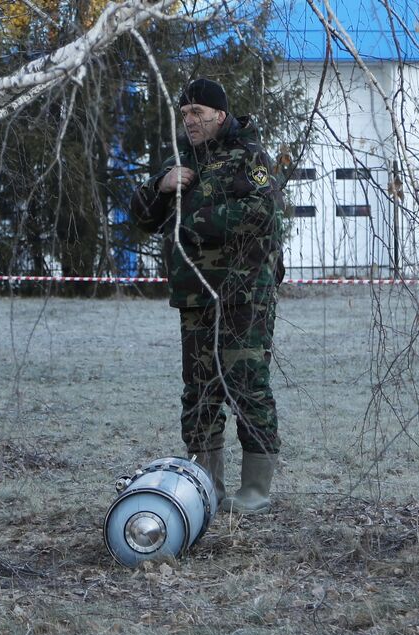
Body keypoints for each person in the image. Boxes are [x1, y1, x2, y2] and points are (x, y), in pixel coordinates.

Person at [130, 78, 286, 514]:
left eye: (197, 113)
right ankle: (206, 485)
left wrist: (191, 222)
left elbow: (260, 214)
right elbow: (141, 216)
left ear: (219, 114)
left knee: (247, 387)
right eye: (184, 115)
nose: (190, 121)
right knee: (199, 391)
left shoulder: (250, 156)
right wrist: (161, 186)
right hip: (195, 296)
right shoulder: (180, 160)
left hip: (243, 295)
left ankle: (255, 490)